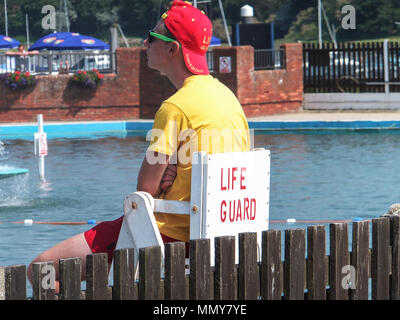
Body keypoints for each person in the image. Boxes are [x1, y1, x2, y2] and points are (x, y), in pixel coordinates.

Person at [27, 0, 250, 292]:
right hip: (222, 239)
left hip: (167, 238)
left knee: (39, 271)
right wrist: (171, 172)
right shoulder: (228, 98)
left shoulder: (175, 108)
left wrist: (163, 178)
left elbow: (142, 194)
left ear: (173, 49)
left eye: (153, 36)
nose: (145, 42)